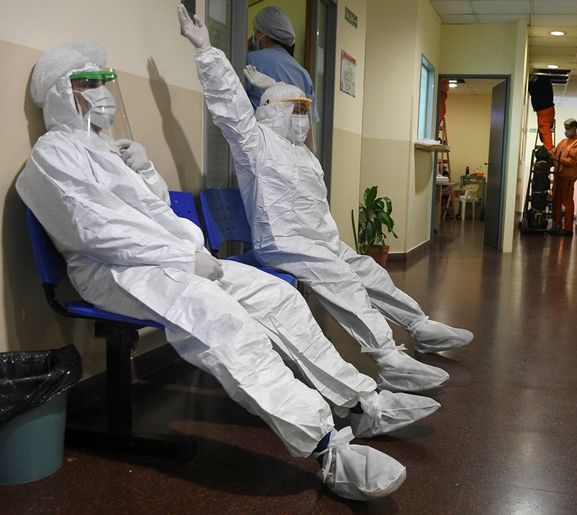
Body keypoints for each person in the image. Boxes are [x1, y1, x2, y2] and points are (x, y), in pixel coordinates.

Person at [17, 40, 442, 501]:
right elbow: (94, 234)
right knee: (225, 322)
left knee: (279, 296)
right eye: (88, 84)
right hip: (117, 272)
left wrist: (147, 171)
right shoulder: (51, 156)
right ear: (61, 94)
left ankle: (362, 403)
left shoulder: (107, 148)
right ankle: (327, 447)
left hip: (174, 258)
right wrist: (183, 258)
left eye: (104, 81)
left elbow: (154, 211)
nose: (102, 94)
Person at [178, 7, 473, 394]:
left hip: (318, 238)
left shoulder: (303, 154)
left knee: (366, 270)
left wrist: (278, 88)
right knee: (340, 277)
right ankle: (388, 359)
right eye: (296, 111)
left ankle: (419, 326)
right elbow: (230, 107)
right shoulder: (256, 145)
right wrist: (206, 51)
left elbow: (286, 112)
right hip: (283, 242)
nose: (303, 119)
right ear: (273, 113)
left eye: (305, 111)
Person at [245, 5, 316, 118]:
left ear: (264, 36)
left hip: (259, 128)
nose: (253, 37)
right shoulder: (304, 74)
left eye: (256, 31)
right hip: (294, 130)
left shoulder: (250, 59)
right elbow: (310, 119)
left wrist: (242, 52)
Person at [550, 118, 577, 236]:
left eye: (568, 129)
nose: (566, 131)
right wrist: (548, 152)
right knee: (556, 200)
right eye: (565, 129)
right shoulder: (563, 142)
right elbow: (554, 152)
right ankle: (557, 226)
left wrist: (556, 158)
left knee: (567, 203)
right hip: (558, 176)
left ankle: (568, 229)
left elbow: (572, 161)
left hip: (567, 177)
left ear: (574, 128)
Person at [528, 74, 555, 151]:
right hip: (548, 108)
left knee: (545, 130)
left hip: (544, 109)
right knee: (545, 130)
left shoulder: (540, 85)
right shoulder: (546, 83)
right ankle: (548, 148)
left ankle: (549, 150)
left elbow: (532, 91)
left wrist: (549, 151)